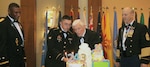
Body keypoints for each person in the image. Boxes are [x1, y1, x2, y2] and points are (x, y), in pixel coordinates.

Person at [0, 3, 26, 67]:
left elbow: (21, 44)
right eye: (16, 13)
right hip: (11, 60)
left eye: (19, 12)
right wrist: (4, 61)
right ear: (9, 11)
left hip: (19, 60)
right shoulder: (4, 24)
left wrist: (24, 57)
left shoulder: (19, 25)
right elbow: (2, 44)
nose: (18, 15)